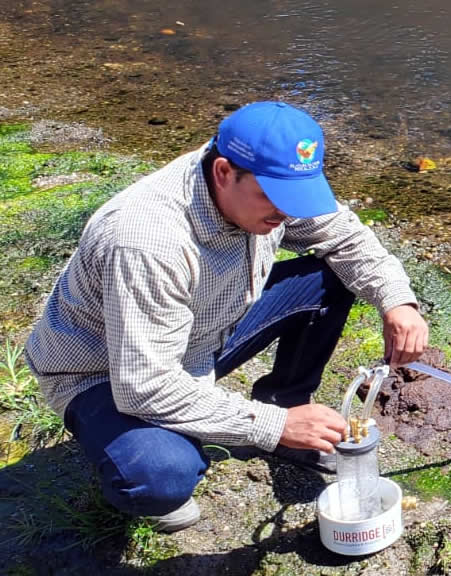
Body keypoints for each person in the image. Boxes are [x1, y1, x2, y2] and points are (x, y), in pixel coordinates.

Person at [23, 101, 429, 532]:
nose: (287, 213)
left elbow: (345, 238)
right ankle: (162, 463)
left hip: (201, 333)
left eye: (297, 197)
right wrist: (273, 427)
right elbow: (144, 386)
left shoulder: (259, 185)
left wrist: (396, 301)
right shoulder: (146, 241)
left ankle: (284, 400)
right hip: (103, 373)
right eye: (274, 198)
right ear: (222, 172)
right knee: (161, 474)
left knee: (335, 274)